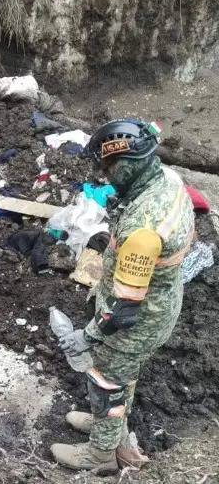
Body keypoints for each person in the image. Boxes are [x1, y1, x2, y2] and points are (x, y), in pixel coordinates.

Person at [52, 119, 194, 473]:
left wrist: (87, 336)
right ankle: (110, 427)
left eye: (109, 167)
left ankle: (101, 454)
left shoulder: (143, 231)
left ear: (129, 162)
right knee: (121, 376)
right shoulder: (169, 181)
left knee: (106, 382)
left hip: (136, 323)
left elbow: (124, 312)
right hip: (163, 302)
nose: (105, 175)